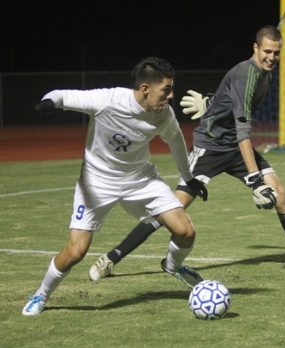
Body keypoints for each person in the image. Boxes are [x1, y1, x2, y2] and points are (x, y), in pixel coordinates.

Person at [89, 25, 285, 281]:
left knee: (282, 196)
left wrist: (210, 103)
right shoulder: (246, 74)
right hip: (211, 147)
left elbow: (230, 99)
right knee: (171, 209)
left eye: (276, 52)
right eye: (267, 51)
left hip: (236, 147)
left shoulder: (265, 74)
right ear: (255, 48)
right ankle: (111, 258)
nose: (271, 57)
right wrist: (254, 179)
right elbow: (243, 130)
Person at [21, 57, 208, 316]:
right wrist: (49, 102)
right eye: (166, 89)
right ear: (145, 89)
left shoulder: (163, 114)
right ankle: (40, 294)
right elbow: (62, 96)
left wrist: (188, 177)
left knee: (186, 231)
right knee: (76, 251)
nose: (171, 95)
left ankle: (173, 267)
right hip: (96, 182)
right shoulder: (108, 100)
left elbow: (176, 142)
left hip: (141, 179)